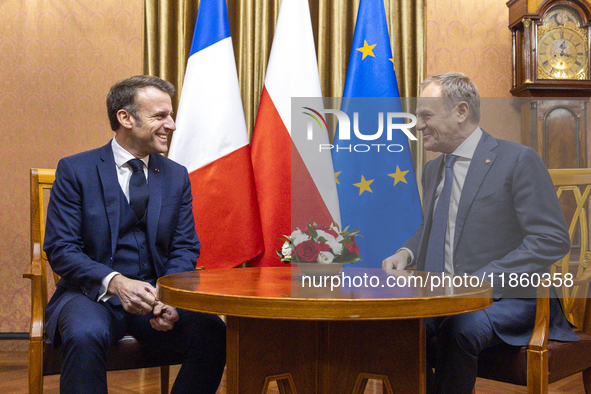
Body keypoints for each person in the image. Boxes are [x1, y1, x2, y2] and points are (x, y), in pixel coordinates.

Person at [382, 72, 579, 394]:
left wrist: (483, 278)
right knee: (396, 327)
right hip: (444, 296)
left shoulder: (517, 159)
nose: (417, 126)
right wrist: (407, 253)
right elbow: (429, 227)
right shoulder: (433, 169)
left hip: (510, 297)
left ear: (461, 111)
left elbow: (551, 238)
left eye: (426, 115)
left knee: (459, 326)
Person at [43, 75, 226, 394]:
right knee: (84, 334)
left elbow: (184, 247)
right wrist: (115, 282)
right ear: (125, 118)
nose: (171, 124)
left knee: (211, 330)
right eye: (160, 116)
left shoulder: (176, 176)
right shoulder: (75, 170)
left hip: (155, 296)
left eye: (170, 115)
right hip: (90, 295)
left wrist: (169, 296)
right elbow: (61, 248)